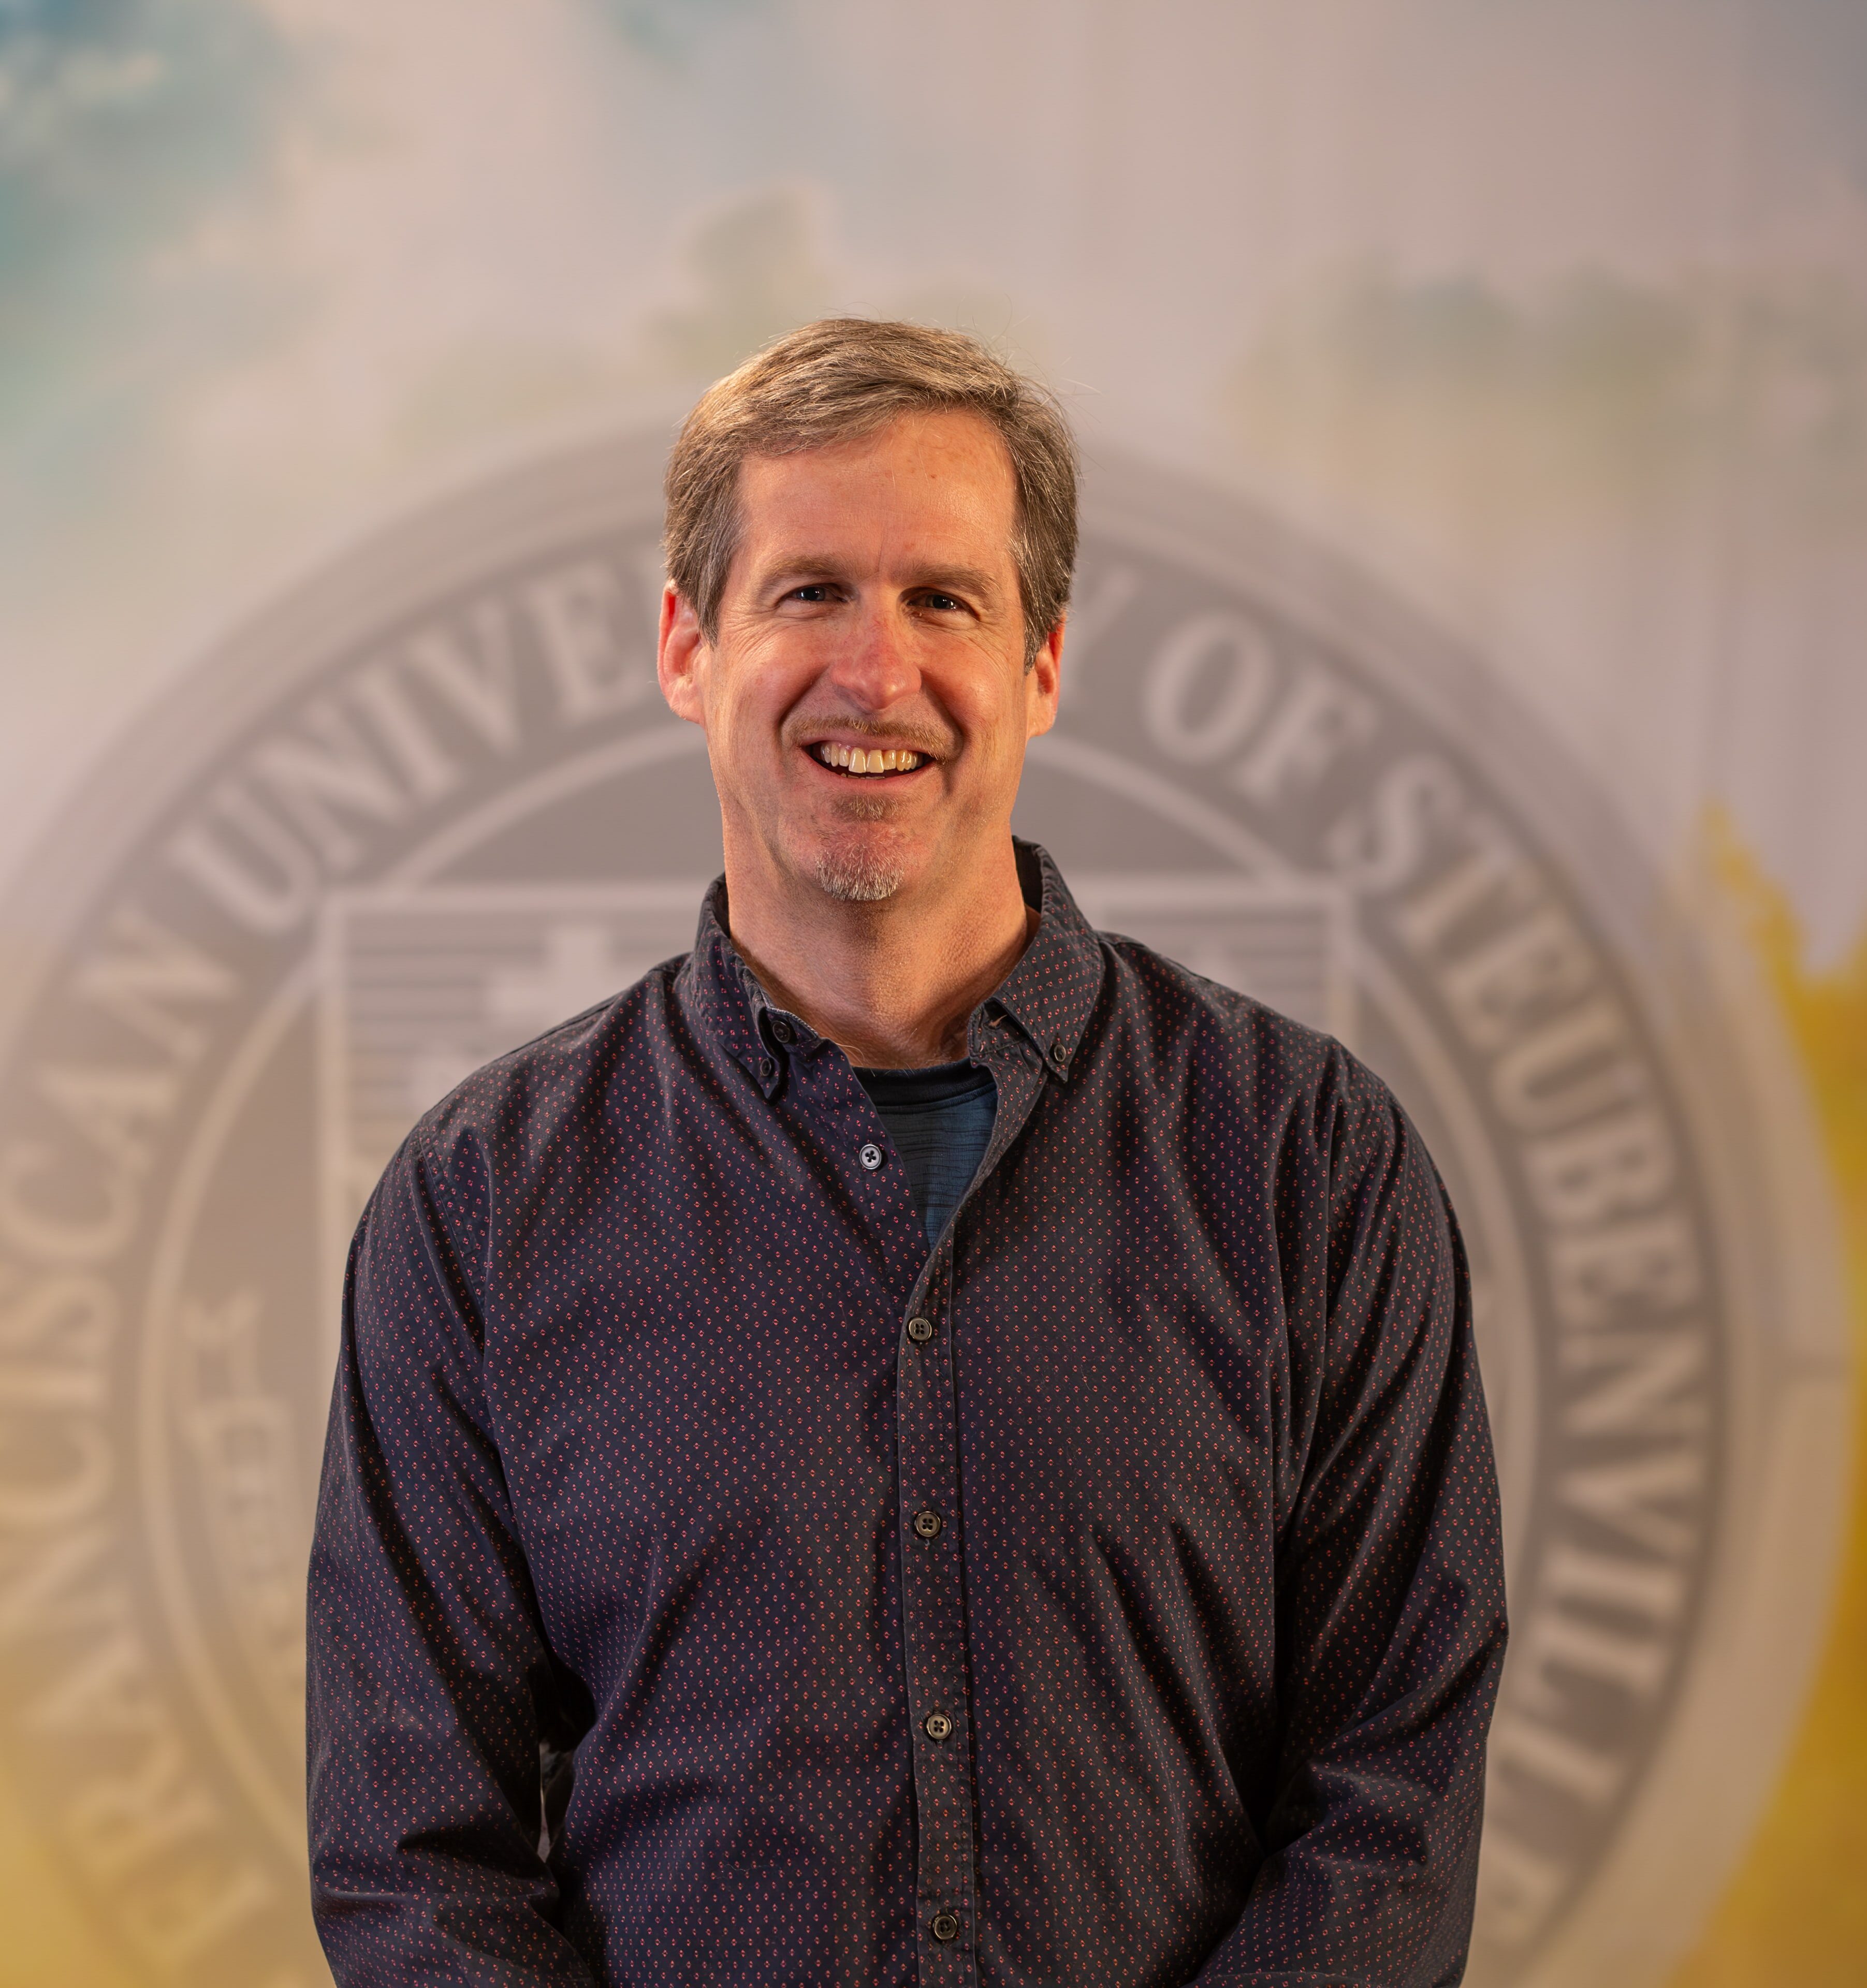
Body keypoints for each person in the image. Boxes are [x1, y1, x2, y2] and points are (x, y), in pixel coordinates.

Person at [307, 318, 1506, 1988]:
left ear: (1041, 665)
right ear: (685, 646)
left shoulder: (1312, 1164)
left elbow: (1396, 1797)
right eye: (809, 593)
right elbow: (409, 1856)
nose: (877, 675)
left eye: (945, 598)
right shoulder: (481, 1205)